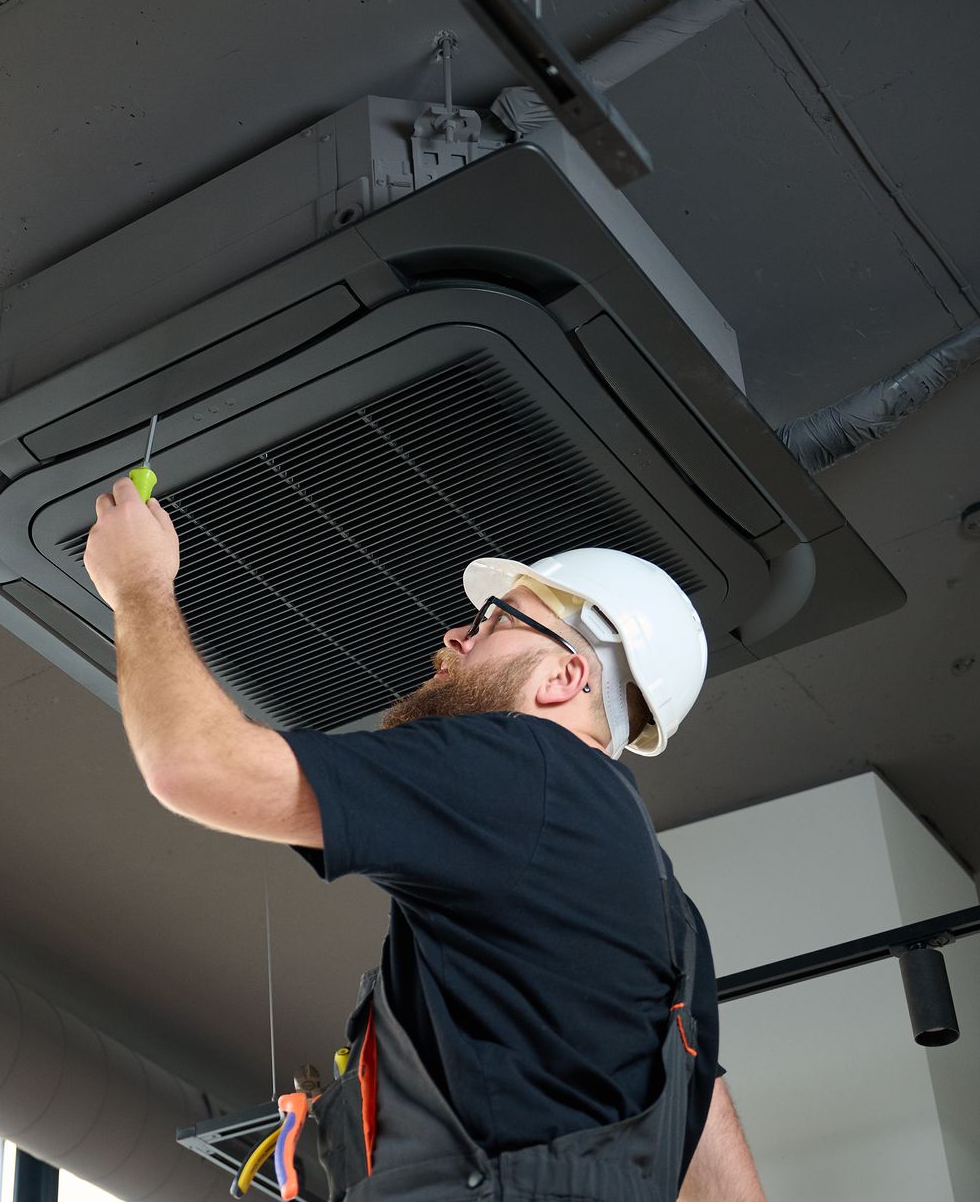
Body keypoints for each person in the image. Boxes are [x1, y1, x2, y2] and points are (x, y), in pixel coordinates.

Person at [83, 476, 766, 1201]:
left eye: (495, 619)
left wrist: (138, 582)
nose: (455, 635)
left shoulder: (523, 766)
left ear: (567, 676)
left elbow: (194, 763)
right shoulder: (669, 918)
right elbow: (718, 1172)